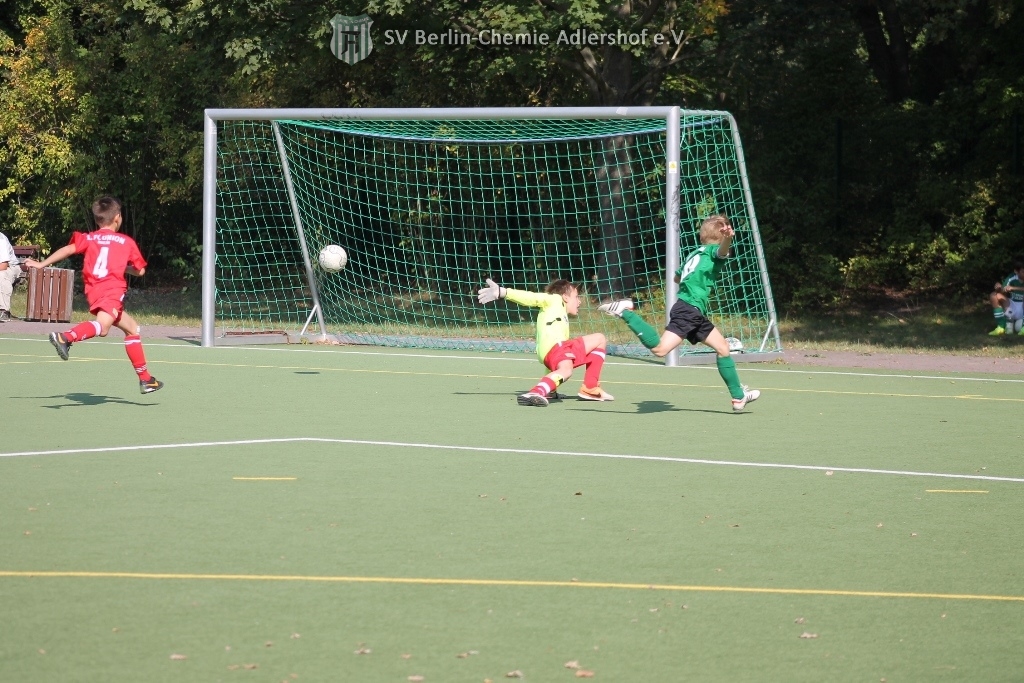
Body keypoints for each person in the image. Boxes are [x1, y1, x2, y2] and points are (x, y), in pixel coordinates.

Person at [598, 214, 760, 412]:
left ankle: (738, 396)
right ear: (720, 236)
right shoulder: (713, 251)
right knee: (660, 350)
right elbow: (722, 251)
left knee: (723, 347)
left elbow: (677, 278)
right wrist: (728, 239)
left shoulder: (695, 253)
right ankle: (625, 312)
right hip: (689, 310)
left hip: (692, 311)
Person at [24, 196, 163, 393]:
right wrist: (125, 267)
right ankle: (65, 337)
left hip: (94, 290)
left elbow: (68, 249)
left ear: (98, 219)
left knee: (132, 329)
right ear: (117, 217)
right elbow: (140, 271)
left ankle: (146, 379)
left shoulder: (90, 238)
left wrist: (41, 264)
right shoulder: (126, 242)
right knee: (103, 327)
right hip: (112, 290)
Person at [477, 278, 613, 407]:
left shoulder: (559, 314)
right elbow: (532, 297)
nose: (579, 301)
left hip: (554, 351)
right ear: (565, 297)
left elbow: (553, 357)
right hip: (557, 348)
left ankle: (589, 387)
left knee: (599, 339)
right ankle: (536, 392)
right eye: (576, 297)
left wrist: (551, 390)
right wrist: (502, 292)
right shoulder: (555, 299)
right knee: (566, 370)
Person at [992, 260, 1024, 336]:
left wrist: (1014, 288)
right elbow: (1003, 291)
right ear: (1016, 271)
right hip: (1013, 306)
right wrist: (999, 288)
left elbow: (1012, 288)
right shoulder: (1011, 277)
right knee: (994, 295)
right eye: (1023, 271)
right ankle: (1001, 327)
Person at [0, 230, 21, 322]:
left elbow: (3, 265)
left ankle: (3, 311)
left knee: (2, 275)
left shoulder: (1, 239)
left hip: (11, 267)